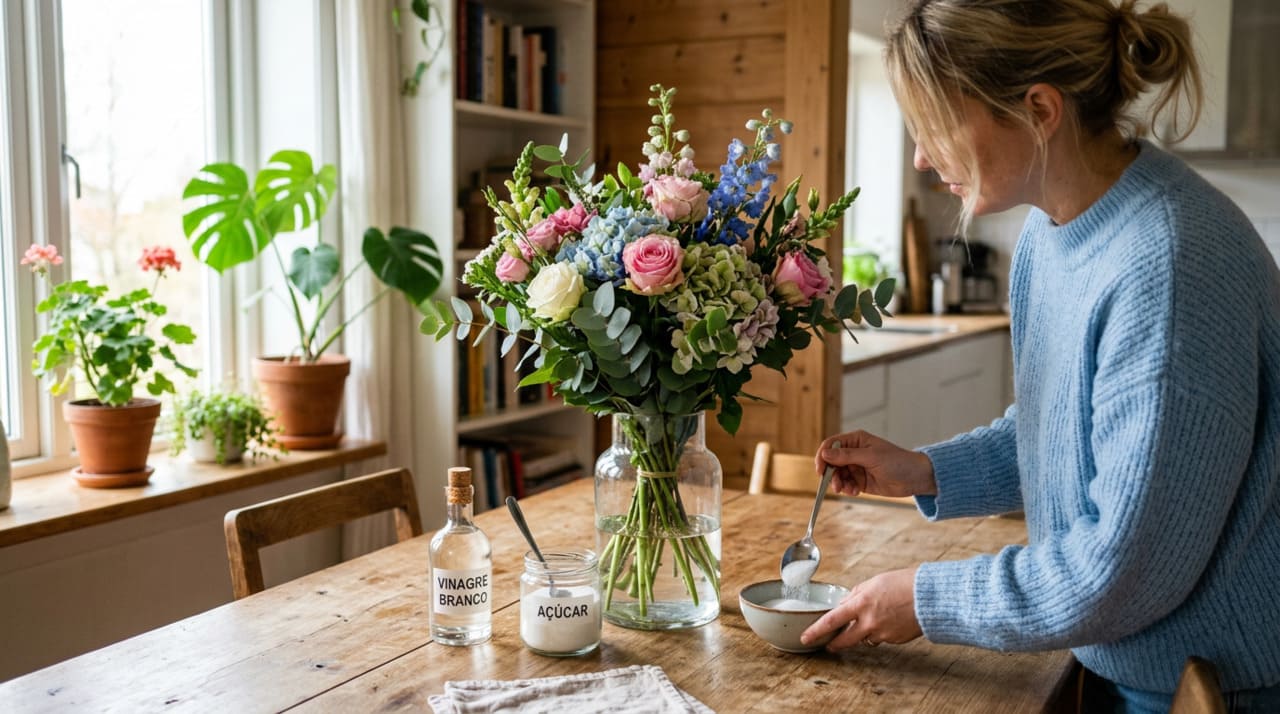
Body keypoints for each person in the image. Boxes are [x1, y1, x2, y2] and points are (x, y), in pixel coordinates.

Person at [799, 1, 1280, 711]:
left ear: (1039, 110)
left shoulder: (1166, 265)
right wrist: (927, 470)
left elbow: (1118, 573)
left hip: (1206, 681)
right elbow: (1065, 432)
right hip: (1127, 655)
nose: (922, 157)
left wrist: (924, 599)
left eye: (935, 124)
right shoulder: (1051, 237)